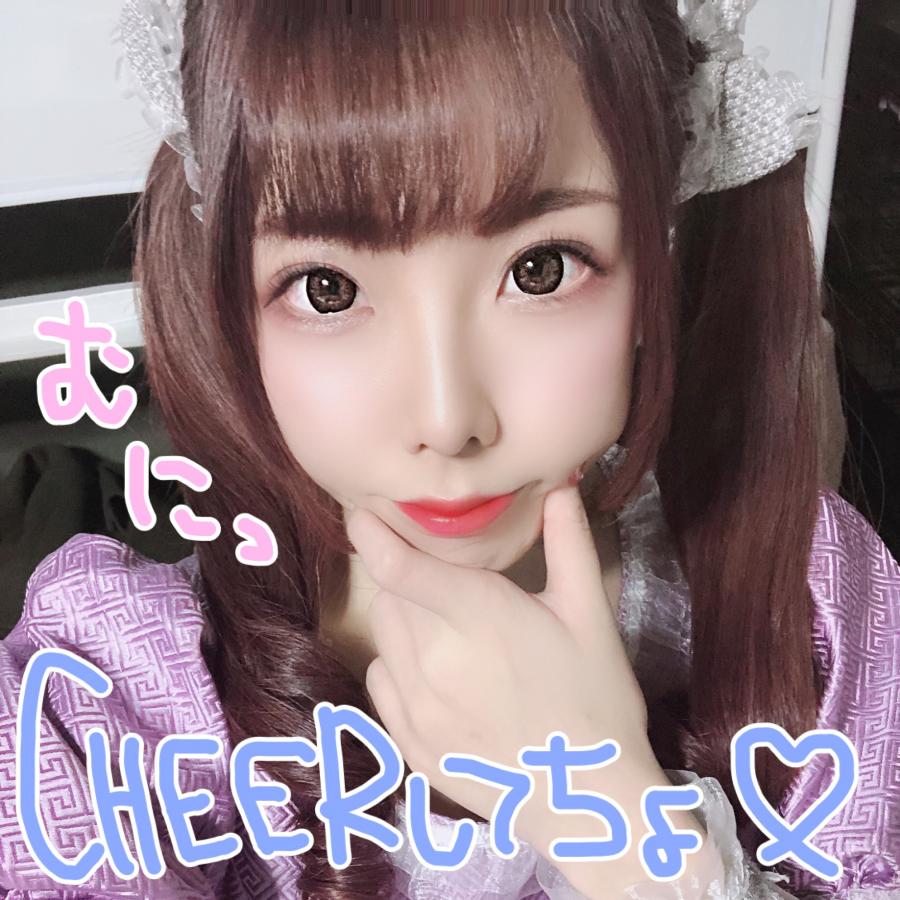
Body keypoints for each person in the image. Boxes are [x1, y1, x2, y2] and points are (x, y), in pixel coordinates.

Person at [1, 1, 898, 897]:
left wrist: (617, 823)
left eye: (541, 269)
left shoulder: (819, 611)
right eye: (326, 288)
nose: (447, 418)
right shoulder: (112, 697)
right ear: (231, 302)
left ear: (656, 258)